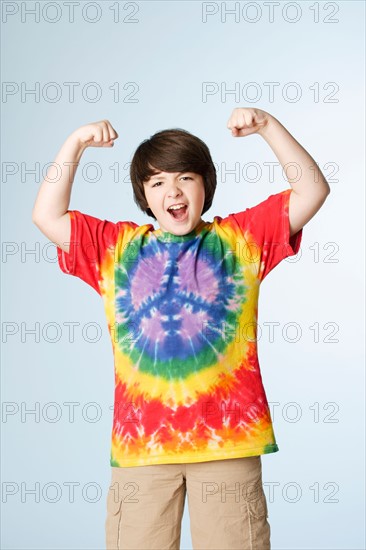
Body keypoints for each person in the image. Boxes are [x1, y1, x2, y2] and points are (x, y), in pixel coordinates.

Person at [32, 108, 330, 550]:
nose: (172, 190)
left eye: (185, 177)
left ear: (205, 185)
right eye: (157, 182)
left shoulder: (240, 240)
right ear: (145, 197)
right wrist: (75, 143)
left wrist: (267, 126)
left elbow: (312, 189)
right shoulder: (117, 250)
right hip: (142, 451)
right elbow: (47, 216)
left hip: (228, 443)